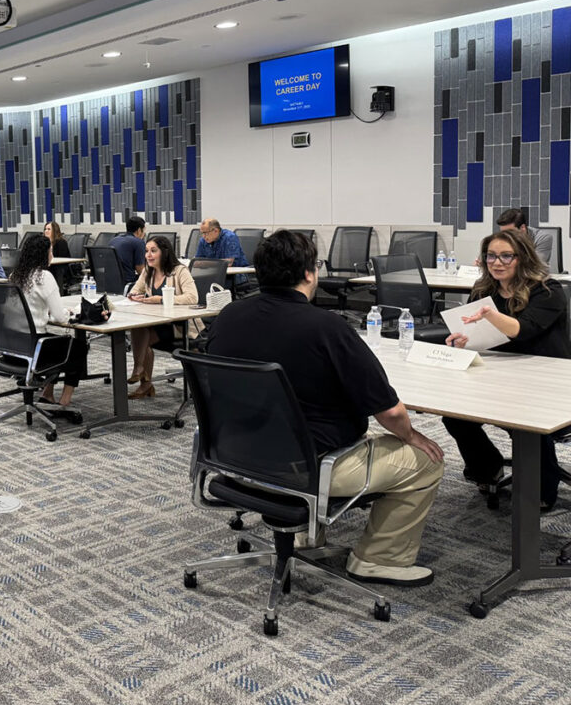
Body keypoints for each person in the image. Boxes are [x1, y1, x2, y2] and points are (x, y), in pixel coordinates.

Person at [206, 230, 445, 587]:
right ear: (308, 273)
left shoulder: (228, 316)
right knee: (426, 461)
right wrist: (411, 436)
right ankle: (378, 560)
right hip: (306, 471)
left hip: (235, 460)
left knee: (308, 422)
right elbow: (390, 413)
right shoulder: (326, 327)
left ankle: (305, 537)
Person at [444, 228, 569, 510]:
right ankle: (488, 469)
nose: (497, 263)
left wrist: (491, 315)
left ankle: (543, 489)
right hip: (498, 374)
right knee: (455, 416)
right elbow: (476, 334)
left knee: (524, 424)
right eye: (491, 256)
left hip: (546, 378)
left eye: (505, 256)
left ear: (522, 258)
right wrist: (462, 339)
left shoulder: (547, 290)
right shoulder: (484, 290)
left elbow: (523, 330)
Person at [0, 235, 90, 408]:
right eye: (50, 251)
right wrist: (68, 312)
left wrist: (45, 312)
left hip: (9, 348)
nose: (52, 255)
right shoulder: (44, 277)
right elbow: (60, 317)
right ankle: (64, 401)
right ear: (43, 254)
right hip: (33, 350)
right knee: (78, 347)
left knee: (56, 343)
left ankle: (48, 394)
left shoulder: (15, 275)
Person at [126, 236, 198, 399]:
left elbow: (192, 297)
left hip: (178, 325)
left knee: (142, 339)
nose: (148, 255)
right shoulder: (148, 270)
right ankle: (142, 377)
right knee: (139, 328)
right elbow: (135, 290)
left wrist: (161, 299)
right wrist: (135, 296)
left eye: (153, 251)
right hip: (156, 322)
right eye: (146, 251)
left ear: (164, 252)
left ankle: (141, 375)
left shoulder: (179, 271)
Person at [109, 217, 147, 286]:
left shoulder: (113, 240)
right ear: (139, 230)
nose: (144, 234)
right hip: (128, 283)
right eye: (144, 231)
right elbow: (140, 270)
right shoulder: (139, 242)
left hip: (110, 282)